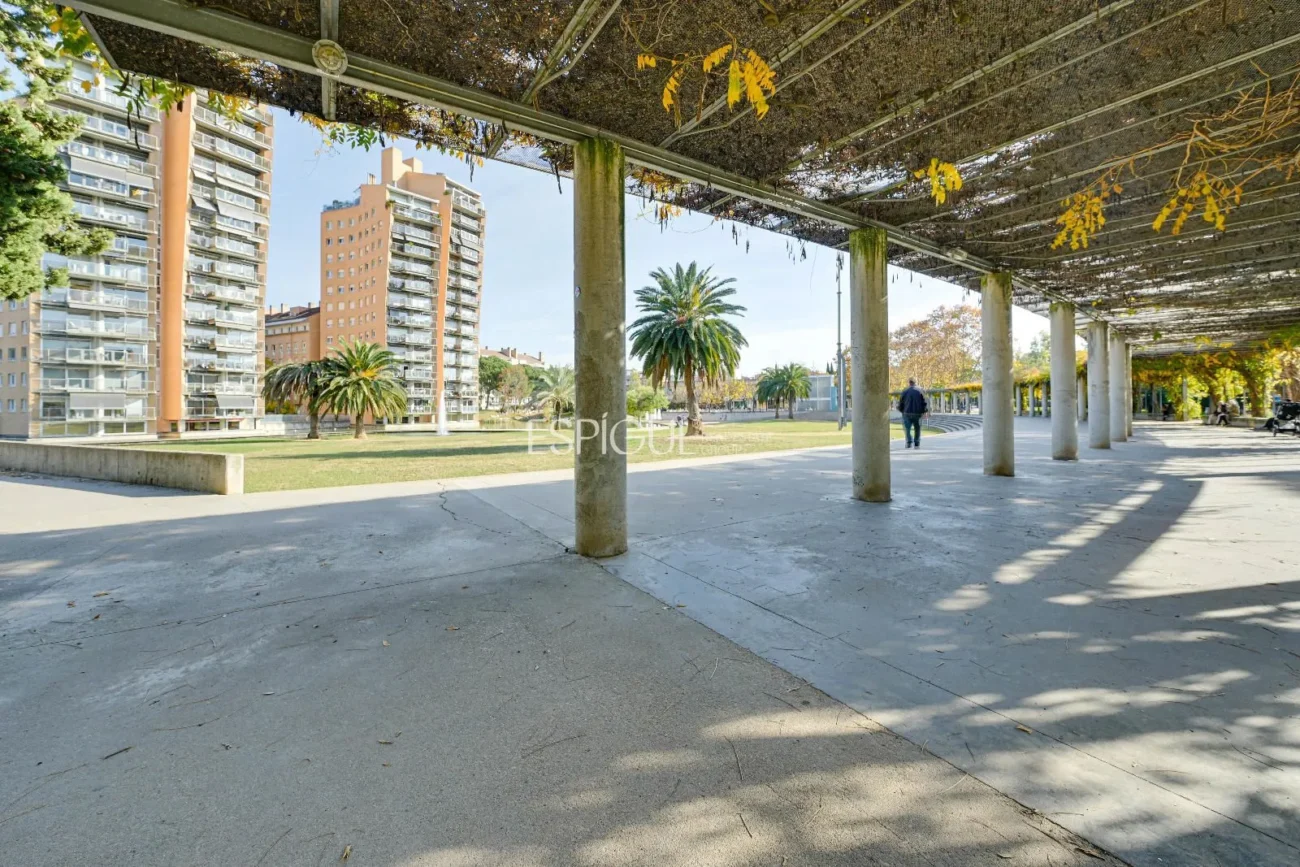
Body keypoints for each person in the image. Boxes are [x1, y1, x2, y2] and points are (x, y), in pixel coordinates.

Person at [897, 378, 928, 449]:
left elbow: (901, 402)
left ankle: (909, 442)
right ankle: (917, 443)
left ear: (909, 383)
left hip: (907, 413)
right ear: (915, 383)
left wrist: (901, 410)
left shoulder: (905, 391)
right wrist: (925, 411)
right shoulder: (921, 390)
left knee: (907, 429)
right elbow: (924, 402)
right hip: (918, 413)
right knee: (917, 429)